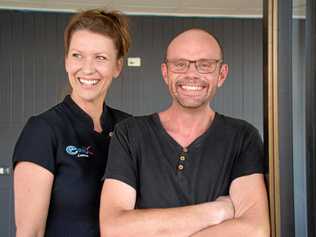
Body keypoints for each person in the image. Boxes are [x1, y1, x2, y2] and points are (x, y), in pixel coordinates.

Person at [100, 28, 270, 237]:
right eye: (180, 64)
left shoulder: (243, 137)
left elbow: (254, 229)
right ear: (165, 73)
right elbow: (114, 228)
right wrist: (215, 211)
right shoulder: (129, 133)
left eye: (204, 65)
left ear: (222, 74)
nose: (191, 74)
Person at [12, 8, 131, 237]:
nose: (87, 68)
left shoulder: (129, 128)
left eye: (100, 57)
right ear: (67, 61)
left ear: (117, 66)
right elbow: (30, 232)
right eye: (77, 55)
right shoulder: (43, 130)